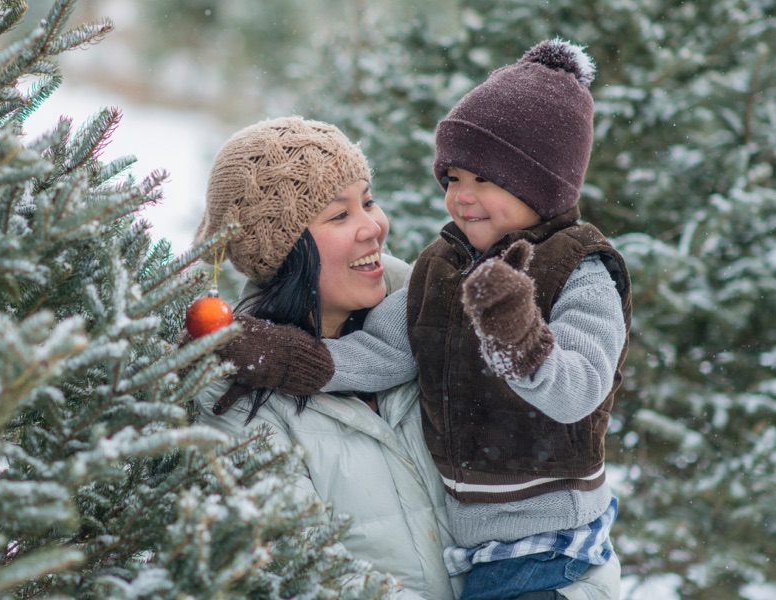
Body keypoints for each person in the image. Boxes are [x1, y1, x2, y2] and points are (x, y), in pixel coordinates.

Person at [312, 39, 633, 600]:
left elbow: (579, 388)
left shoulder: (579, 268)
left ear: (540, 184)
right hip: (473, 545)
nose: (462, 197)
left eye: (485, 179)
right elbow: (386, 352)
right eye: (453, 178)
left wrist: (521, 337)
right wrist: (291, 358)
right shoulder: (443, 264)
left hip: (547, 544)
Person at [191, 116, 463, 599]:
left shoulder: (436, 326)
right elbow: (306, 569)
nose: (373, 228)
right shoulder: (236, 389)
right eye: (340, 215)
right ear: (284, 254)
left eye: (368, 201)